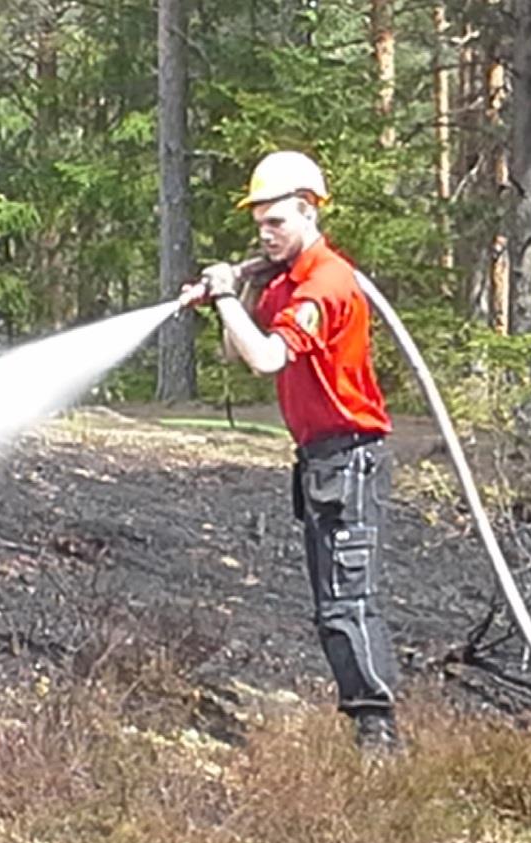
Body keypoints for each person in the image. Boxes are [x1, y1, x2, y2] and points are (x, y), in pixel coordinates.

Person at [181, 151, 401, 753]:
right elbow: (237, 351)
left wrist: (226, 294)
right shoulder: (283, 283)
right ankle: (367, 735)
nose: (265, 232)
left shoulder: (326, 283)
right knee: (330, 602)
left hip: (350, 458)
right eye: (259, 223)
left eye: (275, 221)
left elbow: (268, 358)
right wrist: (241, 289)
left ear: (307, 212)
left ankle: (379, 741)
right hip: (320, 463)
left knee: (347, 604)